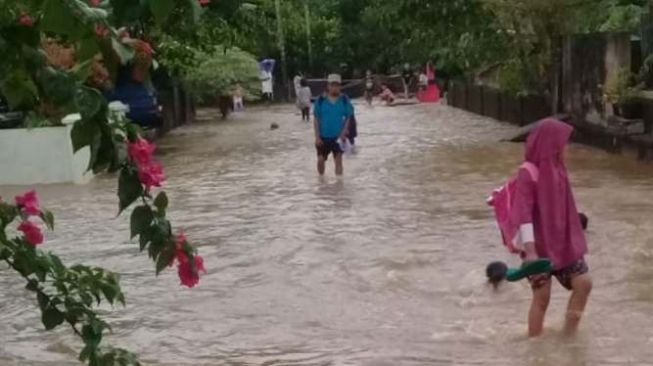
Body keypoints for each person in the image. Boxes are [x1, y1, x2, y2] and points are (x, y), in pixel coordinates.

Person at [511, 119, 592, 337]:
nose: (567, 149)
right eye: (563, 144)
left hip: (563, 245)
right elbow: (524, 214)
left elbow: (564, 207)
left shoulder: (559, 169)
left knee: (583, 284)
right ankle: (535, 348)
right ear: (551, 144)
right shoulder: (528, 172)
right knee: (542, 298)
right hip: (537, 248)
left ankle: (569, 338)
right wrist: (530, 251)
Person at [313, 74, 354, 176]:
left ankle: (339, 185)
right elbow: (316, 119)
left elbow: (348, 116)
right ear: (328, 86)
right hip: (323, 137)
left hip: (338, 137)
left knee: (339, 161)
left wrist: (345, 131)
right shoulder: (320, 100)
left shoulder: (344, 100)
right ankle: (321, 180)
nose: (335, 88)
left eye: (337, 85)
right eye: (332, 85)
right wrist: (317, 137)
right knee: (320, 160)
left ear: (340, 86)